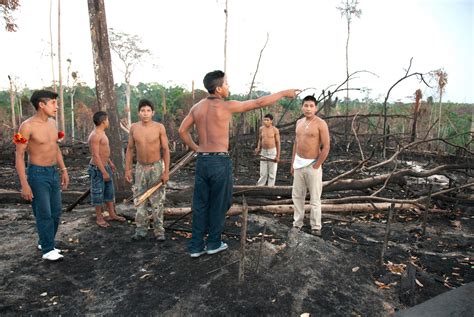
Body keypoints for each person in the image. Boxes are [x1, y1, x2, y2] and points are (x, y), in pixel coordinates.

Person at [179, 70, 298, 258]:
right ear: (218, 89)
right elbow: (258, 103)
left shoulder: (197, 107)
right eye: (226, 84)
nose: (228, 87)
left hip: (203, 161)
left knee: (201, 204)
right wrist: (284, 93)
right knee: (220, 203)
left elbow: (182, 130)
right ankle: (213, 243)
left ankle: (195, 247)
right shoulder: (226, 106)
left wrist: (197, 148)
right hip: (219, 160)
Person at [14, 90, 69, 261]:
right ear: (41, 105)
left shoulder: (53, 123)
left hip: (52, 172)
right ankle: (47, 249)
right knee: (44, 212)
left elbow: (55, 147)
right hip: (37, 174)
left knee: (56, 211)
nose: (57, 106)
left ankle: (44, 241)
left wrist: (64, 169)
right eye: (53, 103)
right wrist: (24, 184)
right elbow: (19, 155)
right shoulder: (27, 126)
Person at [125, 99, 170, 241]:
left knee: (157, 201)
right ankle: (141, 230)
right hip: (139, 168)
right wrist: (127, 169)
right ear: (139, 113)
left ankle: (159, 231)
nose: (145, 113)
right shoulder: (134, 128)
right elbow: (130, 149)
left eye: (148, 110)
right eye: (143, 110)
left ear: (153, 112)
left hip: (156, 167)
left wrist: (166, 171)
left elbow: (166, 149)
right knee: (139, 199)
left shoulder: (159, 127)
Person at [291, 95, 330, 236]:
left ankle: (315, 227)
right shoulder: (299, 122)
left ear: (315, 108)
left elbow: (326, 147)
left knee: (315, 198)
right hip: (299, 164)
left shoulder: (320, 123)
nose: (308, 109)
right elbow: (296, 143)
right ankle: (297, 223)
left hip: (313, 164)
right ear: (302, 107)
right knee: (297, 196)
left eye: (311, 106)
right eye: (306, 105)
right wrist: (292, 163)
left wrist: (317, 164)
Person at [87, 111, 126, 228]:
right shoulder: (95, 135)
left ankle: (112, 214)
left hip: (105, 166)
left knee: (109, 191)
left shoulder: (102, 133)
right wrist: (103, 171)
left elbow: (103, 151)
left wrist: (110, 162)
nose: (108, 122)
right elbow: (95, 155)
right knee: (98, 193)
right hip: (97, 169)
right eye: (107, 120)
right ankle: (99, 218)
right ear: (104, 121)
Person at [255, 113, 280, 186]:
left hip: (272, 151)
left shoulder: (275, 130)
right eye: (264, 120)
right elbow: (260, 139)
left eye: (267, 120)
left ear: (271, 121)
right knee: (263, 172)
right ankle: (260, 187)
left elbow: (278, 143)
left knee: (272, 172)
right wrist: (258, 148)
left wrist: (278, 156)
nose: (265, 121)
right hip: (263, 151)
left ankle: (271, 187)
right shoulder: (261, 129)